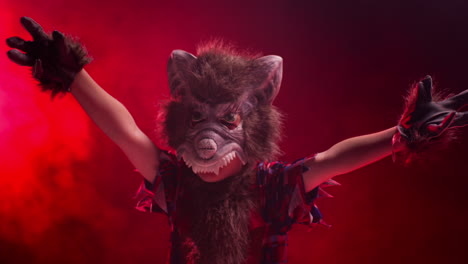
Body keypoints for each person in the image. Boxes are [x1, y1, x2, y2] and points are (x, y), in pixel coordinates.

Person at [6, 17, 468, 264]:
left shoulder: (274, 187)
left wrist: (402, 135)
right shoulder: (177, 180)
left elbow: (332, 159)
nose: (206, 140)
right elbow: (125, 131)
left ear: (252, 129)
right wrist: (75, 76)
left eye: (226, 120)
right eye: (197, 121)